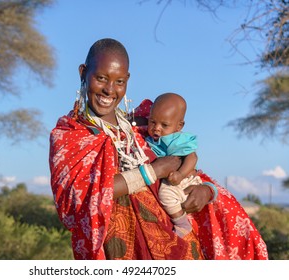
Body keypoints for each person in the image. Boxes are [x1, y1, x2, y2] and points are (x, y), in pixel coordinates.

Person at [49, 38, 268, 260]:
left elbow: (186, 166)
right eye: (101, 78)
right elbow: (79, 196)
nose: (109, 90)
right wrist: (152, 172)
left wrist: (207, 191)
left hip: (178, 243)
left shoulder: (145, 125)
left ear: (128, 80)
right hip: (122, 250)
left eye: (119, 81)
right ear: (83, 72)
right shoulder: (71, 135)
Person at [145, 92, 201, 237]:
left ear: (179, 126)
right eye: (152, 122)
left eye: (164, 125)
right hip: (176, 177)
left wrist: (180, 174)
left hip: (183, 179)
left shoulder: (175, 140)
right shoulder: (154, 136)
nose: (156, 128)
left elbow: (192, 157)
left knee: (166, 194)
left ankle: (182, 224)